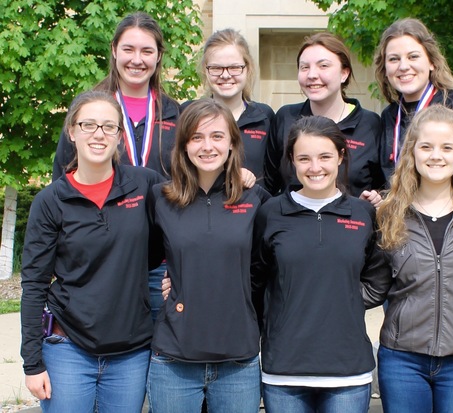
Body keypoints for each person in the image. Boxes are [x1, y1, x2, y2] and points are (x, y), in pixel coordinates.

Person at [21, 90, 164, 412]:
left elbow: (185, 213)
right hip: (67, 349)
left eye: (108, 127)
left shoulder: (145, 186)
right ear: (71, 132)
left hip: (131, 352)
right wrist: (32, 363)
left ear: (119, 136)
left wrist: (236, 177)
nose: (98, 134)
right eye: (88, 125)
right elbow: (33, 284)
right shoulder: (51, 201)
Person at [253, 115, 390, 412]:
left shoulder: (362, 213)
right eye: (304, 158)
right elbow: (255, 279)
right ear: (291, 160)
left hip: (347, 370)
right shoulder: (271, 213)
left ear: (341, 156)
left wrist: (344, 298)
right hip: (284, 369)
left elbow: (378, 278)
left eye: (325, 156)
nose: (315, 168)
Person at [51, 12, 180, 323]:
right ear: (113, 50)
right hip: (100, 262)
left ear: (159, 56)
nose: (137, 60)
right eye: (128, 49)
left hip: (158, 266)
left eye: (147, 51)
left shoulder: (176, 112)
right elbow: (62, 182)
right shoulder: (88, 109)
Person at [146, 99, 270, 413]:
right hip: (174, 358)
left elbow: (264, 270)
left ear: (232, 143)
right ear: (184, 144)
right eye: (197, 137)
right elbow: (144, 260)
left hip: (237, 360)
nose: (207, 146)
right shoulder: (161, 199)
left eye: (217, 136)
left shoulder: (255, 199)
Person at [372, 105, 453, 413]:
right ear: (412, 152)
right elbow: (372, 282)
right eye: (426, 146)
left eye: (446, 147)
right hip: (402, 360)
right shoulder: (389, 214)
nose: (436, 155)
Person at [264, 32, 385, 201]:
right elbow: (268, 184)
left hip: (352, 224)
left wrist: (377, 199)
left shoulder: (370, 124)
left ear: (344, 73)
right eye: (304, 67)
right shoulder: (286, 118)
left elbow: (384, 186)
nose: (312, 75)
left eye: (323, 66)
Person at [374, 18, 453, 180]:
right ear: (385, 68)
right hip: (400, 204)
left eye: (413, 57)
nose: (403, 66)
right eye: (394, 59)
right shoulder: (389, 115)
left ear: (432, 63)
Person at [181, 28, 275, 184]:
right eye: (216, 68)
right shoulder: (187, 112)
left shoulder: (264, 117)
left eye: (234, 67)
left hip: (253, 207)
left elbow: (273, 178)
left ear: (247, 68)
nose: (225, 75)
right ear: (206, 70)